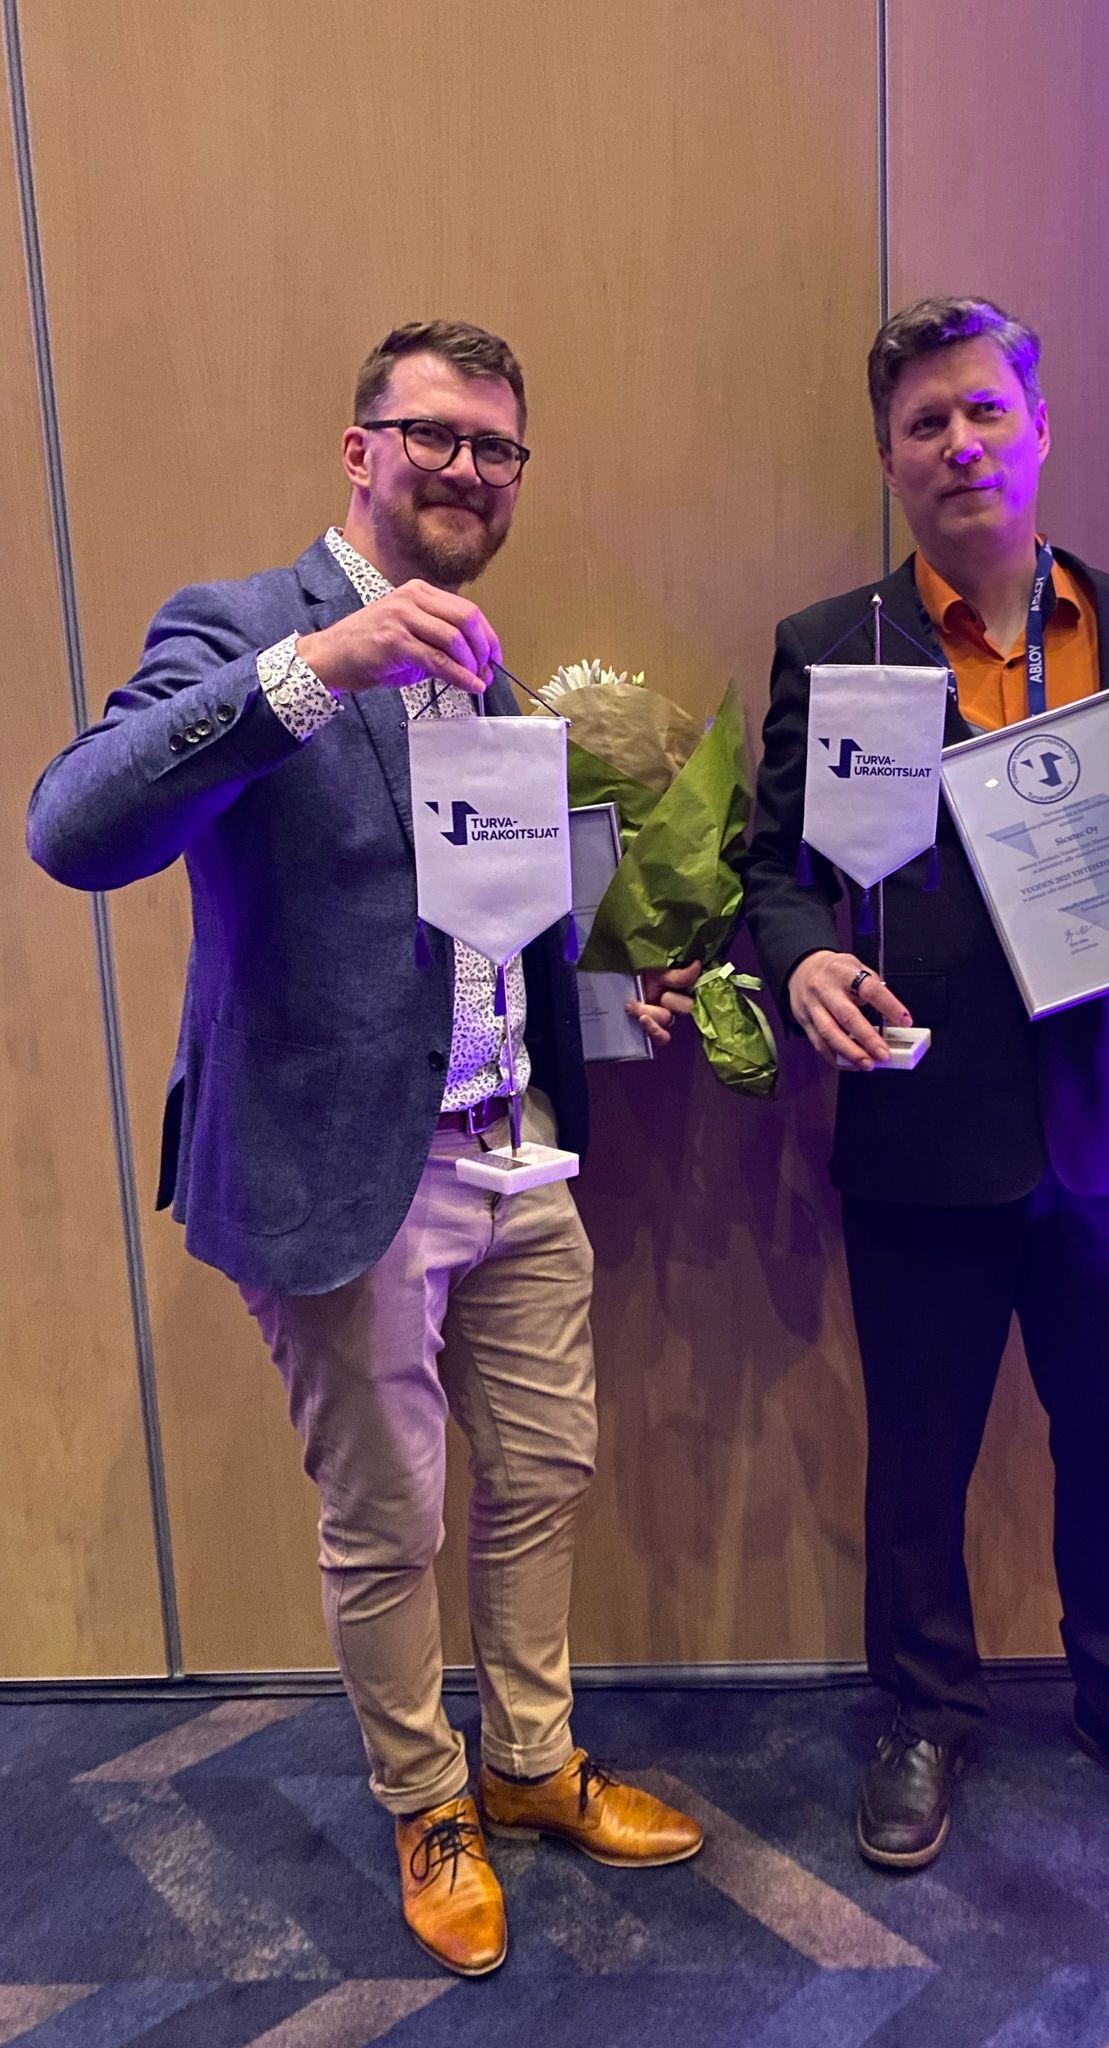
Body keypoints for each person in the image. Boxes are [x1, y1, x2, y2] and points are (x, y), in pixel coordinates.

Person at [28, 320, 703, 1976]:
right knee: (387, 1518)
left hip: (516, 1153)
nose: (468, 468)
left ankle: (528, 1763)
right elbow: (74, 826)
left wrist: (614, 1011)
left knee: (543, 1477)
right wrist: (316, 670)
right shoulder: (244, 628)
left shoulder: (496, 676)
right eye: (435, 434)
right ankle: (428, 1802)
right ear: (359, 450)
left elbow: (484, 946)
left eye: (497, 447)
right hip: (343, 1172)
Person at [743, 296, 1109, 1871]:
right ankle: (922, 1715)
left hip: (1107, 1122)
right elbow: (776, 869)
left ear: (1041, 428)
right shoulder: (835, 647)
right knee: (919, 1453)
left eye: (985, 411)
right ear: (890, 460)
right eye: (926, 423)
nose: (960, 443)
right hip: (916, 1119)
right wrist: (801, 963)